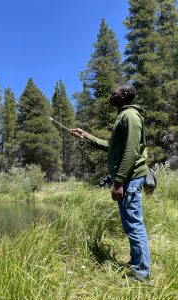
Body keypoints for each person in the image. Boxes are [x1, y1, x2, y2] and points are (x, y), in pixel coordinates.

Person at [70, 85, 151, 280]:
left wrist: (119, 182)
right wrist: (87, 136)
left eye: (113, 93)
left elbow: (131, 152)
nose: (110, 95)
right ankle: (138, 264)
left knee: (134, 225)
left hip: (129, 179)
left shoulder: (130, 117)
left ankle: (140, 274)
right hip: (127, 178)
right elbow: (112, 147)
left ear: (123, 95)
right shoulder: (124, 116)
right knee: (131, 223)